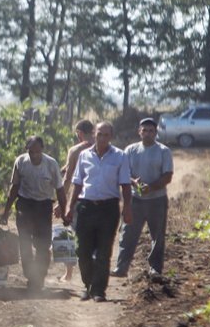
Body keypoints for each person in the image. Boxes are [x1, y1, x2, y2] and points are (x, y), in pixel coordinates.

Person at [63, 122, 132, 302]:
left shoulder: (120, 156)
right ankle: (88, 285)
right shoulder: (84, 156)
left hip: (108, 208)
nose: (102, 138)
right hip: (85, 207)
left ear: (111, 137)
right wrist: (69, 207)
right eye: (99, 134)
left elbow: (125, 185)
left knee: (103, 251)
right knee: (82, 250)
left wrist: (127, 209)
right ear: (94, 134)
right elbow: (77, 183)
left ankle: (99, 290)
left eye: (106, 135)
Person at [0, 135, 66, 289]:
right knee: (24, 242)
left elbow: (60, 190)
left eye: (37, 152)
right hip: (25, 205)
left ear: (42, 150)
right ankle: (30, 275)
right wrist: (6, 211)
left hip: (43, 206)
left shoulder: (51, 164)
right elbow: (14, 187)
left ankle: (40, 275)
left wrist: (64, 211)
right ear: (27, 151)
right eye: (31, 152)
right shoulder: (21, 162)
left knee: (42, 245)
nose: (34, 155)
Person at [111, 117, 174, 277]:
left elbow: (168, 176)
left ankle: (155, 268)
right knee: (127, 235)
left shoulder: (163, 151)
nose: (147, 133)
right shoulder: (130, 150)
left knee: (157, 236)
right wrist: (133, 182)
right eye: (144, 130)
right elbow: (123, 173)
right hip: (134, 200)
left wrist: (151, 187)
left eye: (151, 131)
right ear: (139, 132)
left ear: (156, 132)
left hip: (157, 200)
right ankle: (121, 268)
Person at [56, 119, 95, 283]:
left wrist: (60, 202)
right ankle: (92, 272)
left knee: (68, 234)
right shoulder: (104, 147)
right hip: (99, 199)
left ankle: (69, 274)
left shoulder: (75, 150)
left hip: (78, 199)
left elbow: (67, 178)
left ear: (79, 133)